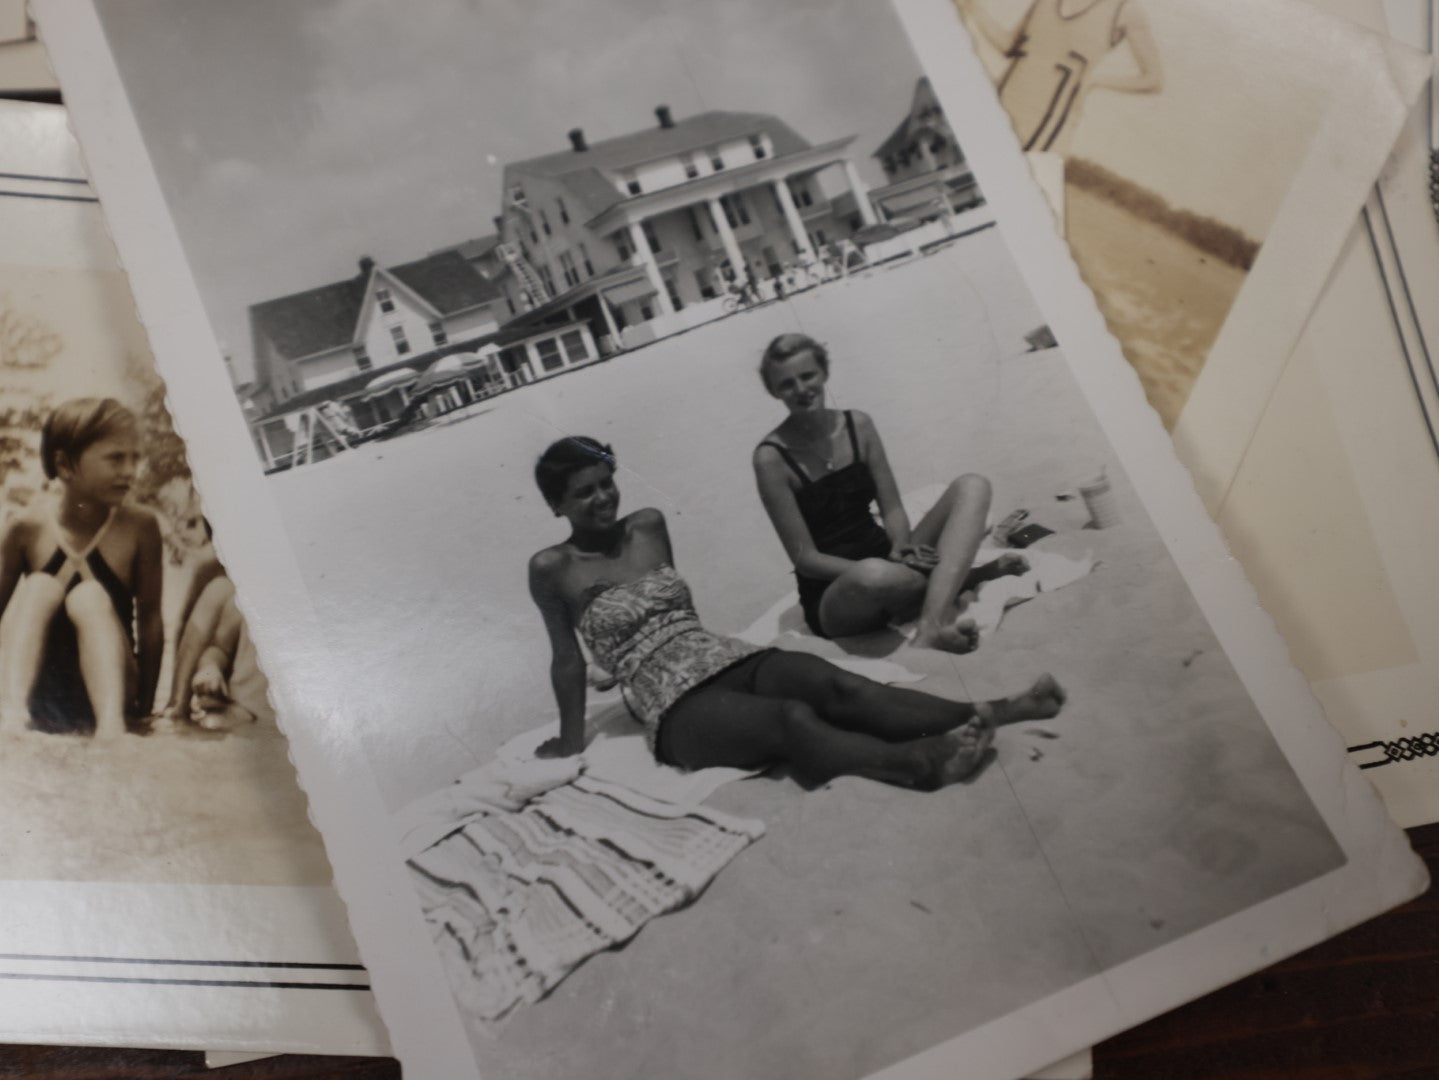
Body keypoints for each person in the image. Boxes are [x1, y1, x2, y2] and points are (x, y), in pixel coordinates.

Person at [527, 436, 1064, 789]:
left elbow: (670, 609)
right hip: (672, 705)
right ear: (556, 505)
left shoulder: (647, 525)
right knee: (792, 718)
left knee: (841, 687)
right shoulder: (552, 569)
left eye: (607, 482)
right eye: (583, 494)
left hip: (726, 654)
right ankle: (922, 764)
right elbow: (567, 662)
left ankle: (994, 710)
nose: (603, 499)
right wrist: (572, 739)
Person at [753, 333, 1024, 653]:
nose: (801, 389)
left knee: (973, 485)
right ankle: (959, 582)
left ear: (824, 372)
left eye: (807, 375)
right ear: (773, 391)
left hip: (886, 556)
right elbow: (806, 559)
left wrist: (900, 545)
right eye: (786, 384)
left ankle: (929, 623)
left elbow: (892, 507)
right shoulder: (771, 458)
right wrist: (883, 569)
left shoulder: (858, 425)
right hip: (835, 593)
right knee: (873, 573)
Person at [0, 398, 163, 737]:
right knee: (39, 587)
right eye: (116, 458)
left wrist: (143, 712)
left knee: (89, 595)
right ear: (64, 465)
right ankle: (12, 715)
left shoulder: (139, 527)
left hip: (113, 693)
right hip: (44, 691)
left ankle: (111, 730)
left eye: (135, 458)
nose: (130, 471)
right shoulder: (26, 528)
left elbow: (150, 622)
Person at [957, 0, 1162, 154]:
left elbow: (1153, 79)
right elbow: (1008, 45)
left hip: (1049, 123)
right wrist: (972, 8)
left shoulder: (1126, 11)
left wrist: (1096, 81)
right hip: (1002, 102)